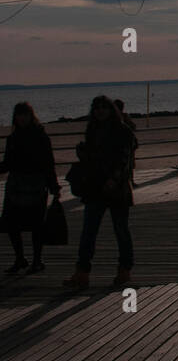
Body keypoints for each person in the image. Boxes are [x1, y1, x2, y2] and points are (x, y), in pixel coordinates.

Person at [63, 96, 136, 290]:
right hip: (96, 187)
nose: (100, 111)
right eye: (97, 108)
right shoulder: (93, 130)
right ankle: (82, 272)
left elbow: (124, 158)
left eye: (104, 107)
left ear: (111, 110)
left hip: (115, 188)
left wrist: (114, 178)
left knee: (120, 230)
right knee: (89, 231)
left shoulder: (122, 131)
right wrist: (84, 154)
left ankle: (124, 269)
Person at [0, 102, 61, 275]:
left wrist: (53, 185)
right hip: (16, 184)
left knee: (36, 224)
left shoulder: (40, 137)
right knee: (11, 224)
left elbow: (48, 163)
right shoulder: (12, 138)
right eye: (19, 115)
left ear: (30, 116)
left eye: (24, 114)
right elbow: (7, 163)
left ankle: (36, 259)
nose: (21, 118)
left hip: (36, 183)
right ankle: (20, 258)